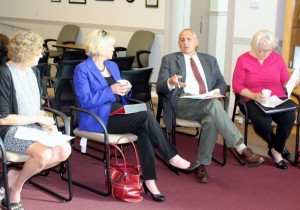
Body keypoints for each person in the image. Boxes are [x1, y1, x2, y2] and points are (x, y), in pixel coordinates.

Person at [73, 29, 201, 202]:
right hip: (98, 119)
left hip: (119, 111)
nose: (114, 49)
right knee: (146, 115)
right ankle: (172, 157)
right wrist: (110, 90)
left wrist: (126, 89)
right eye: (111, 46)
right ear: (100, 47)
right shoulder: (82, 70)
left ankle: (149, 181)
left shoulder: (112, 66)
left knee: (144, 129)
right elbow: (84, 101)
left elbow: (122, 95)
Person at [156, 28, 265, 184]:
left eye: (188, 39)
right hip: (182, 102)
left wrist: (215, 91)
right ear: (179, 43)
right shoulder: (169, 60)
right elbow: (160, 86)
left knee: (211, 119)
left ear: (196, 42)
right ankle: (241, 148)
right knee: (213, 105)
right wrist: (170, 82)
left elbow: (221, 83)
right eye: (182, 40)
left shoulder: (210, 60)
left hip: (206, 101)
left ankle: (201, 164)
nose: (185, 42)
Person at [0, 31, 72, 210]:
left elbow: (38, 107)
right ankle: (15, 190)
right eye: (38, 52)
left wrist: (46, 122)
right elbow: (3, 118)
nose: (42, 55)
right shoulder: (4, 74)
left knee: (64, 150)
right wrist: (37, 118)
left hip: (31, 126)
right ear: (24, 53)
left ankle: (13, 176)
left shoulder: (34, 72)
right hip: (9, 130)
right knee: (44, 154)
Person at [232, 29, 300, 170]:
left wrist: (293, 83)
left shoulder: (277, 59)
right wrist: (255, 96)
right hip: (251, 99)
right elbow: (237, 86)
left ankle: (275, 150)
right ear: (254, 46)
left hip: (276, 99)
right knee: (262, 122)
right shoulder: (243, 60)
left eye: (268, 50)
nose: (264, 54)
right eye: (260, 50)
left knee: (288, 117)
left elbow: (285, 82)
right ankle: (277, 146)